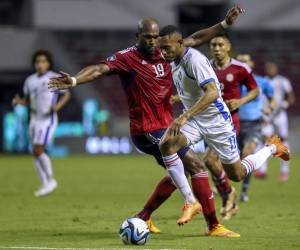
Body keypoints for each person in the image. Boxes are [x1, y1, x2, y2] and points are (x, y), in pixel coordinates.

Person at [49, 7, 244, 237]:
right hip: (147, 129)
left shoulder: (166, 50)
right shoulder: (127, 58)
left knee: (175, 175)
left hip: (165, 125)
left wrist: (224, 25)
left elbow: (196, 38)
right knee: (196, 166)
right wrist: (73, 80)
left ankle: (144, 217)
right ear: (137, 37)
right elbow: (99, 69)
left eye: (155, 38)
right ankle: (211, 223)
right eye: (148, 38)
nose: (153, 42)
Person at [157, 25, 290, 229]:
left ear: (179, 43)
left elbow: (211, 93)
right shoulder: (175, 56)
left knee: (236, 174)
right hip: (195, 121)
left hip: (217, 122)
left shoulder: (196, 61)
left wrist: (184, 116)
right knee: (167, 144)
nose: (163, 52)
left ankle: (273, 148)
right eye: (161, 48)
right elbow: (196, 38)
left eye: (166, 48)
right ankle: (191, 201)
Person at [12, 49, 71, 197]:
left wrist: (57, 107)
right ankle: (45, 183)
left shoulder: (53, 77)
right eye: (38, 61)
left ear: (48, 63)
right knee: (34, 152)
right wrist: (19, 102)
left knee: (38, 149)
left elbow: (66, 94)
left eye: (43, 61)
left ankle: (50, 181)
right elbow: (29, 100)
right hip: (33, 119)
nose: (40, 64)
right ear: (34, 63)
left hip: (47, 119)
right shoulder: (30, 81)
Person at [236, 54, 275, 202]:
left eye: (245, 62)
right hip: (235, 124)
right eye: (240, 62)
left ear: (251, 64)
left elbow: (272, 99)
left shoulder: (262, 82)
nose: (243, 64)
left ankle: (244, 191)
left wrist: (269, 109)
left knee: (247, 154)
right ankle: (225, 188)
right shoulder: (232, 83)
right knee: (232, 161)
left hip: (254, 124)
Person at [259, 62, 295, 182]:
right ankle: (263, 170)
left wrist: (285, 104)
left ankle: (285, 171)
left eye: (272, 67)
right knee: (266, 140)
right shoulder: (262, 81)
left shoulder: (282, 81)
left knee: (283, 140)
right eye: (267, 68)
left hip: (279, 114)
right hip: (267, 114)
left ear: (276, 68)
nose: (270, 69)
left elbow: (291, 97)